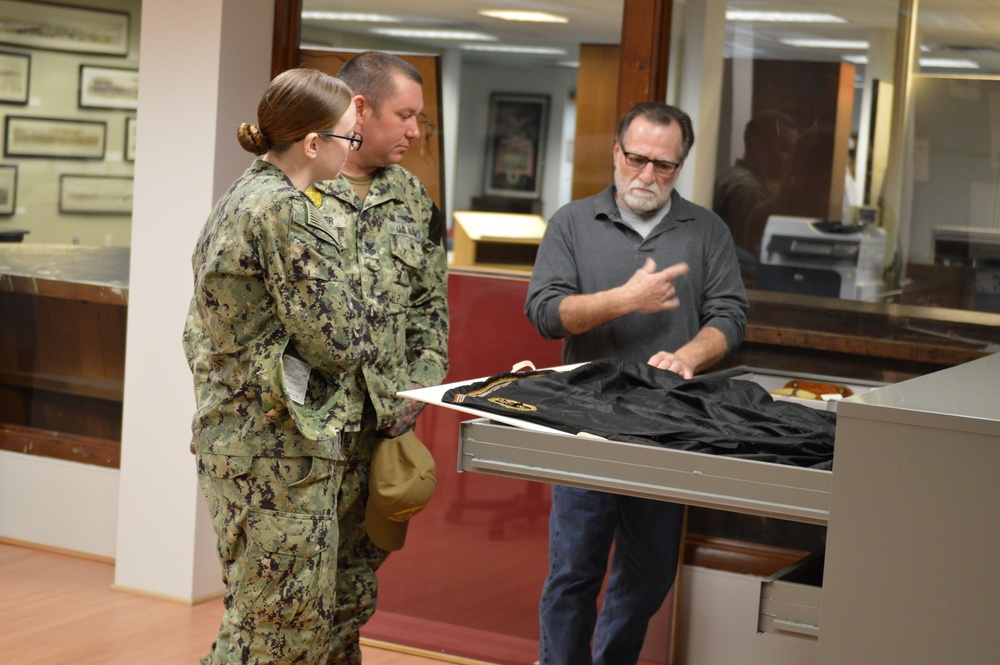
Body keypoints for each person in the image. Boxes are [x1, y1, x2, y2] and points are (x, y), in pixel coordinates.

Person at [525, 101, 749, 665]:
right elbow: (546, 314)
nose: (647, 176)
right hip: (584, 424)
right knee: (575, 569)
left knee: (649, 574)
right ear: (616, 153)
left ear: (681, 166)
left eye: (664, 166)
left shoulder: (707, 230)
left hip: (667, 427)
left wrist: (691, 354)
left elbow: (730, 314)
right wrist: (628, 299)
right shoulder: (572, 223)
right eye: (637, 159)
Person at [183, 67, 362, 664]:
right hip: (276, 449)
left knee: (259, 618)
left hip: (240, 435)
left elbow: (195, 331)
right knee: (282, 632)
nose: (351, 150)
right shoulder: (285, 211)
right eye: (349, 139)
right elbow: (338, 341)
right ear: (314, 144)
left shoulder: (239, 196)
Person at [311, 50, 449, 664]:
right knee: (285, 602)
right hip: (306, 441)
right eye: (406, 115)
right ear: (360, 108)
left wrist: (412, 397)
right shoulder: (298, 189)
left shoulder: (413, 200)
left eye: (420, 118)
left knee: (352, 593)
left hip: (379, 436)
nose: (415, 132)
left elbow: (430, 312)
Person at [713, 110, 798, 259]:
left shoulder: (733, 178)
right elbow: (748, 258)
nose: (791, 158)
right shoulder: (750, 191)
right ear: (759, 146)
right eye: (785, 148)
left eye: (793, 150)